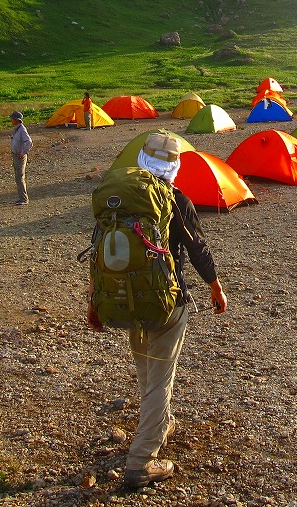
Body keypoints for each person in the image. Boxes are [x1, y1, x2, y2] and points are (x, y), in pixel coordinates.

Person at [96, 133, 229, 489]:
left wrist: (93, 302)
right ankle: (141, 460)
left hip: (124, 299)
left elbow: (96, 252)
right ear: (174, 166)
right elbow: (197, 248)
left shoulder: (119, 200)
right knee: (160, 379)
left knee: (147, 368)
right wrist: (215, 287)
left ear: (141, 161)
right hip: (167, 303)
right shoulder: (176, 199)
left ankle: (160, 421)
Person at [9, 111, 32, 205]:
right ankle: (21, 198)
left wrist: (22, 152)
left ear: (17, 120)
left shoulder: (22, 130)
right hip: (16, 155)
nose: (11, 120)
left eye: (12, 119)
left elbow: (29, 142)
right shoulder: (18, 129)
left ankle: (24, 199)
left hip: (19, 156)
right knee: (18, 177)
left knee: (19, 177)